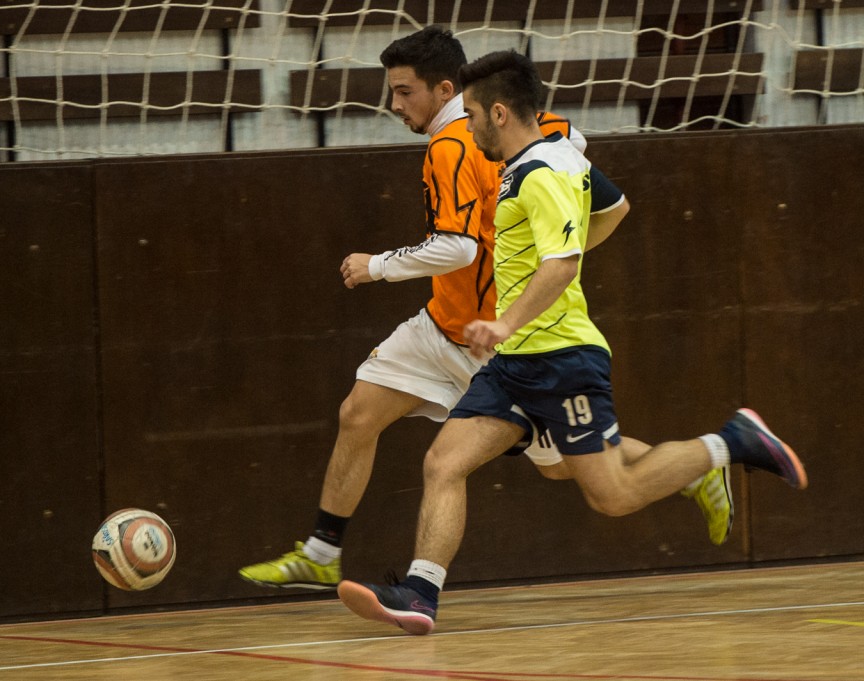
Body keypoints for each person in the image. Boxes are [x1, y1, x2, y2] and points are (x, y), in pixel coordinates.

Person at [335, 49, 808, 636]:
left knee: (613, 496)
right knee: (444, 462)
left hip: (561, 360)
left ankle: (731, 442)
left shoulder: (541, 173)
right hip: (513, 364)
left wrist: (508, 319)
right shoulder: (548, 158)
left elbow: (561, 264)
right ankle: (421, 593)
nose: (468, 127)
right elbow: (614, 209)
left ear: (499, 114)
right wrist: (545, 273)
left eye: (473, 115)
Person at [238, 28, 729, 593]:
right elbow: (597, 174)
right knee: (360, 413)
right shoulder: (538, 129)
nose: (394, 104)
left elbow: (460, 247)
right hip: (442, 323)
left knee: (564, 464)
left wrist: (378, 266)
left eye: (404, 91)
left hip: (490, 340)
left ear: (446, 90)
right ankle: (323, 554)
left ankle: (694, 465)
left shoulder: (452, 146)